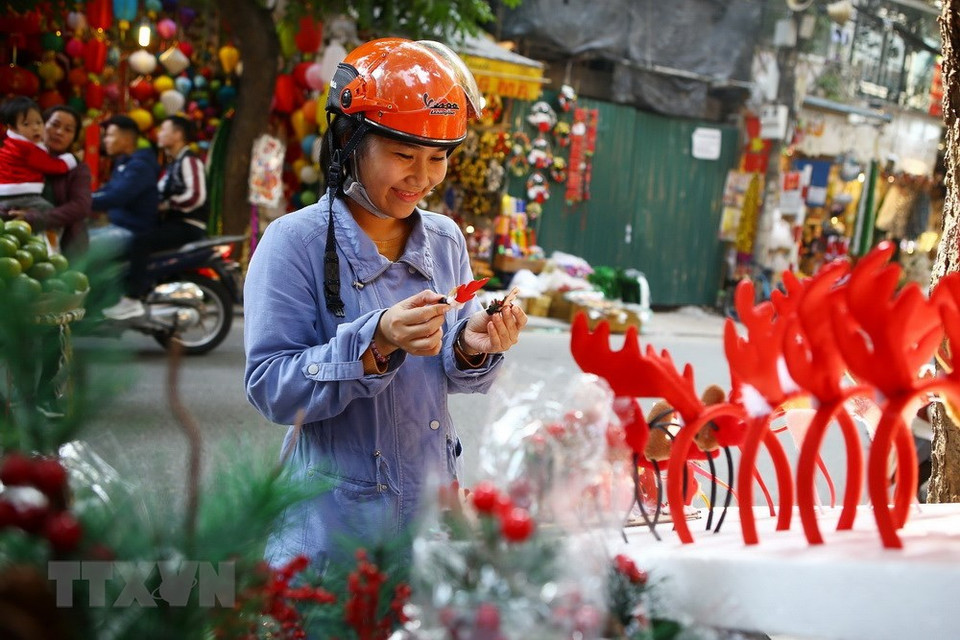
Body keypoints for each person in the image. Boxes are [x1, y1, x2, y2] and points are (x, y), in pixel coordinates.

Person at [243, 38, 527, 571]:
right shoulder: (292, 243)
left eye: (437, 157)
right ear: (350, 141)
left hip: (429, 525)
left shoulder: (444, 240)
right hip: (331, 536)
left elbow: (453, 373)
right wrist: (373, 341)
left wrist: (471, 345)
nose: (422, 177)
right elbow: (270, 389)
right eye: (403, 155)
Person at [105, 115, 208, 320]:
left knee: (141, 242)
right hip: (173, 224)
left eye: (164, 130)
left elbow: (196, 196)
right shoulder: (172, 164)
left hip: (188, 226)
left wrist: (166, 205)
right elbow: (157, 194)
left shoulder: (189, 161)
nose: (159, 134)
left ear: (178, 135)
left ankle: (133, 299)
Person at [90, 115, 160, 319]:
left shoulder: (139, 166)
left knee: (83, 245)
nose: (106, 141)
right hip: (117, 226)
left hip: (130, 230)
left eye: (111, 135)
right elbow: (109, 191)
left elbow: (117, 196)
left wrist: (82, 202)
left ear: (127, 139)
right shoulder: (124, 163)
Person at [1, 105, 93, 259]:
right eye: (55, 125)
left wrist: (34, 219)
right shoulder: (17, 157)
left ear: (74, 137)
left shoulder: (77, 169)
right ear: (41, 125)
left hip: (65, 249)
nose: (59, 132)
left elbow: (80, 206)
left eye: (68, 129)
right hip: (14, 242)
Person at [0, 96, 78, 213]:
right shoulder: (28, 149)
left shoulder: (8, 145)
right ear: (12, 127)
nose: (35, 128)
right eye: (26, 124)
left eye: (38, 122)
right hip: (23, 195)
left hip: (4, 194)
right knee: (48, 212)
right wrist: (70, 160)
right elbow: (53, 166)